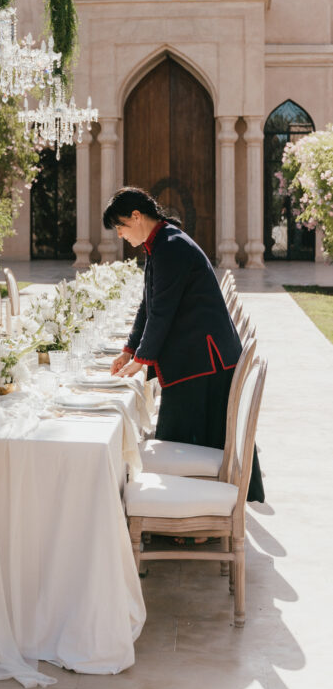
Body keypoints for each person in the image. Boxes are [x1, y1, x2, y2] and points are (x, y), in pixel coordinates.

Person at [103, 187, 264, 503]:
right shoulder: (161, 243)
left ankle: (193, 514)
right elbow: (148, 305)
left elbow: (162, 312)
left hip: (203, 360)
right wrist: (130, 350)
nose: (120, 234)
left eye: (120, 226)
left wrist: (143, 358)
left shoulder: (170, 246)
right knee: (186, 435)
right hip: (198, 354)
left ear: (137, 217)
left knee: (188, 440)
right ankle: (187, 507)